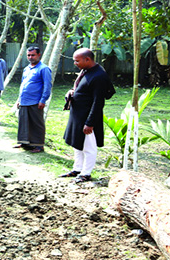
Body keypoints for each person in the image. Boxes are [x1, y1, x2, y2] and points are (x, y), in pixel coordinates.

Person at [61, 48, 110, 183]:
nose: (75, 63)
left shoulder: (99, 76)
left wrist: (90, 122)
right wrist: (72, 92)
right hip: (78, 115)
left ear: (87, 59)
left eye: (77, 61)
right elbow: (82, 89)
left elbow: (98, 102)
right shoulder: (86, 71)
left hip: (87, 117)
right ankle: (77, 169)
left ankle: (86, 173)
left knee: (88, 147)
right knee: (77, 144)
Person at [14, 47, 52, 153]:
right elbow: (23, 85)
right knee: (24, 122)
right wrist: (19, 99)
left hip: (36, 101)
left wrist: (43, 100)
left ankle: (39, 145)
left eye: (33, 55)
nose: (30, 57)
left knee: (36, 123)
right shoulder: (26, 69)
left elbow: (47, 86)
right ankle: (24, 143)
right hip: (24, 100)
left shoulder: (44, 69)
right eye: (28, 55)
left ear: (39, 55)